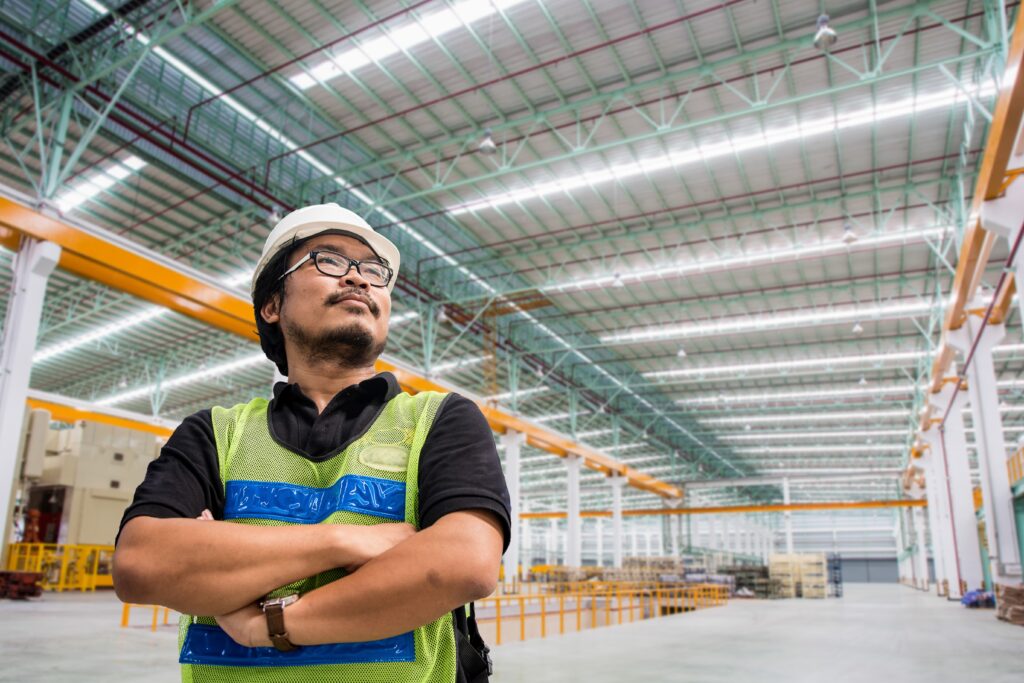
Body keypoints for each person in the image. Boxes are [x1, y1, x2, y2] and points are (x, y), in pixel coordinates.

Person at [114, 203, 511, 682]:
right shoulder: (215, 433)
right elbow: (142, 564)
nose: (359, 279)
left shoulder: (440, 419)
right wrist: (348, 539)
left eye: (373, 270)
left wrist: (267, 624)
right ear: (272, 305)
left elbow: (463, 564)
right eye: (329, 260)